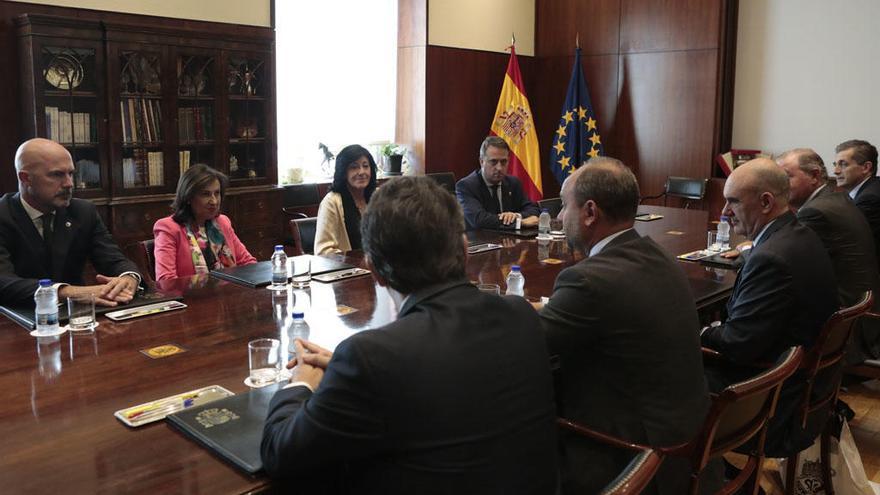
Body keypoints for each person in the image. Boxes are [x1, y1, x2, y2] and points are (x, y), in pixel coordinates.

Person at [261, 176, 558, 494]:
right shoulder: (521, 316)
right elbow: (442, 377)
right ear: (464, 249)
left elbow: (281, 454)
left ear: (374, 271)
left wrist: (302, 382)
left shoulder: (372, 357)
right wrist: (346, 373)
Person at [540, 157, 711, 495]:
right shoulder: (659, 256)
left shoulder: (587, 281)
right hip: (690, 439)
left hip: (634, 457)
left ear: (590, 212)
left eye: (563, 206)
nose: (559, 217)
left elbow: (530, 344)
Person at [701, 158, 837, 457]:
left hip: (772, 400)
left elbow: (739, 345)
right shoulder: (799, 234)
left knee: (662, 380)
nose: (724, 212)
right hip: (803, 386)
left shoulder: (772, 258)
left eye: (732, 202)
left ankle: (688, 471)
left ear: (765, 202)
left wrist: (700, 331)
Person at [0, 138, 140, 307]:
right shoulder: (4, 214)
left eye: (71, 173)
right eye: (57, 174)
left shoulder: (82, 211)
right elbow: (4, 282)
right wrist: (66, 292)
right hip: (15, 320)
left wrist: (128, 277)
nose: (69, 184)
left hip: (78, 318)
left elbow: (113, 260)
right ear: (25, 178)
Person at [778, 148, 880, 363]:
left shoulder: (816, 211)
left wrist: (747, 252)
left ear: (814, 176)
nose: (780, 186)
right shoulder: (835, 198)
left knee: (767, 309)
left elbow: (784, 260)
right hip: (860, 310)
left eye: (786, 177)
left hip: (849, 327)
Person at [153, 164, 255, 281]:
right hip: (191, 297)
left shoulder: (222, 222)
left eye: (217, 193)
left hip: (230, 294)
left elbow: (249, 264)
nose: (214, 201)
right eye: (205, 194)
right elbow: (166, 280)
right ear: (188, 197)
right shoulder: (168, 228)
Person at [455, 136, 540, 230]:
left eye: (504, 162)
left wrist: (516, 216)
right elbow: (479, 220)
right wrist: (519, 223)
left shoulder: (513, 183)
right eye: (493, 162)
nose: (499, 168)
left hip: (510, 241)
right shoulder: (466, 186)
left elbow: (534, 210)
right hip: (480, 240)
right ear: (482, 161)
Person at [314, 144, 377, 255]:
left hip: (380, 268)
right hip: (349, 269)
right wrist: (358, 262)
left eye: (366, 166)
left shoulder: (379, 197)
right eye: (354, 167)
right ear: (343, 171)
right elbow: (323, 252)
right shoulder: (331, 202)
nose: (361, 172)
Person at [834, 139, 880, 262]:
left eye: (843, 164)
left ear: (866, 167)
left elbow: (851, 242)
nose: (836, 171)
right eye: (835, 164)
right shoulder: (867, 189)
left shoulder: (869, 199)